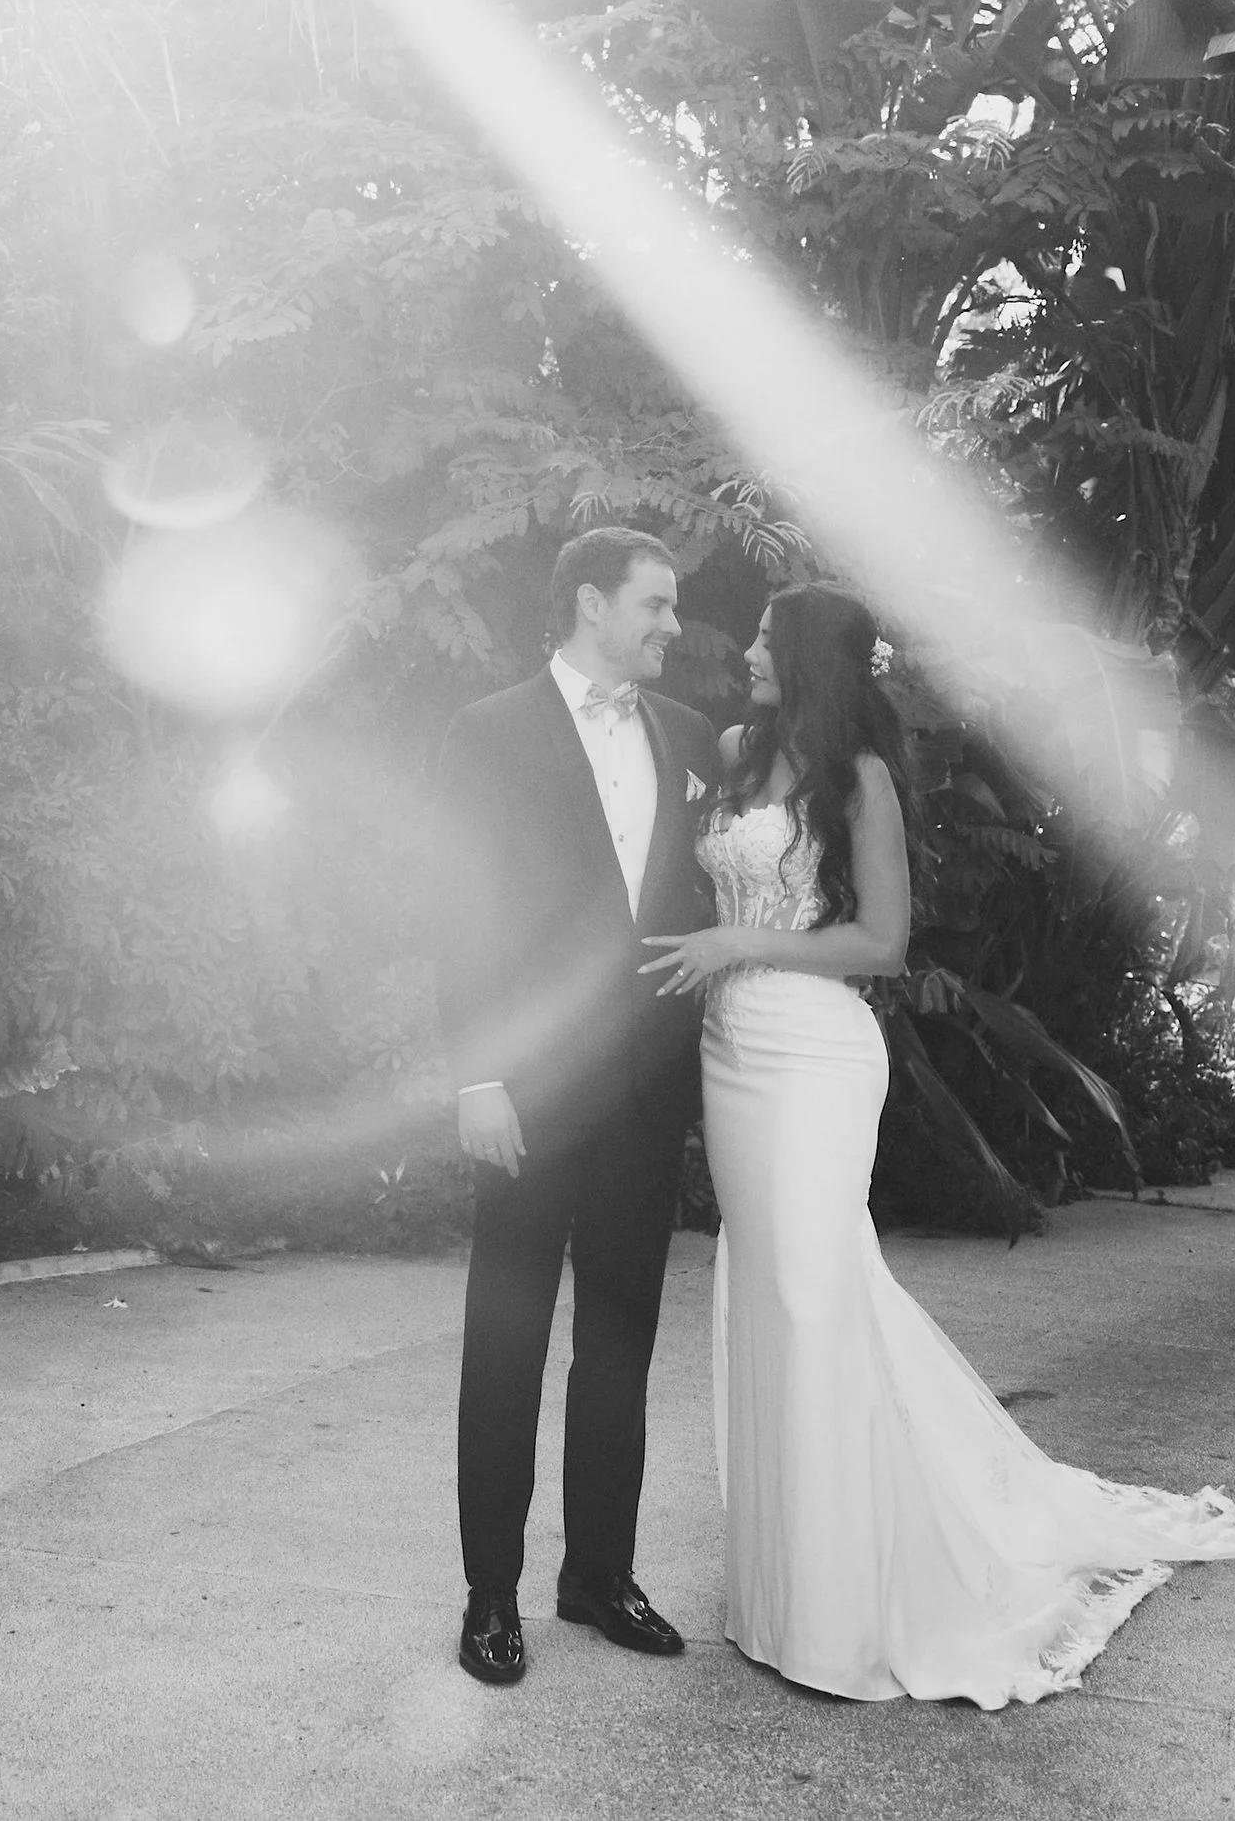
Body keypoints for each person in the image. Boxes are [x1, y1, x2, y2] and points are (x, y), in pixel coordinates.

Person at [642, 584, 1235, 1705]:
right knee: (765, 1294)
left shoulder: (859, 778)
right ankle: (782, 1591)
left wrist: (737, 942)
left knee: (813, 1292)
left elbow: (883, 943)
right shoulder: (740, 753)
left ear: (808, 657)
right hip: (731, 1052)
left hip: (814, 1051)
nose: (745, 648)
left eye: (763, 636)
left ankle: (849, 1606)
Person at [433, 526, 717, 1688]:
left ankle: (598, 1576)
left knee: (618, 1343)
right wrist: (476, 1075)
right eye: (655, 605)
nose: (671, 626)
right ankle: (490, 1596)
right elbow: (458, 905)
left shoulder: (687, 736)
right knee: (504, 1344)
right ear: (591, 603)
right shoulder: (486, 731)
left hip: (645, 1094)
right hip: (528, 1090)